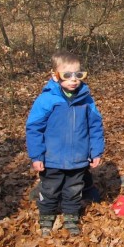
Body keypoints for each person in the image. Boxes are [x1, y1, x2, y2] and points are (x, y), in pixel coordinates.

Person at [25, 50, 105, 235]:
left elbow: (95, 125)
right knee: (50, 190)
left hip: (78, 157)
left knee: (74, 190)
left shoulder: (86, 99)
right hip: (52, 158)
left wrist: (96, 151)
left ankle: (71, 217)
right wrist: (36, 156)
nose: (74, 79)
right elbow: (34, 127)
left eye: (78, 74)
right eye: (67, 75)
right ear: (55, 76)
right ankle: (46, 217)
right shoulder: (47, 99)